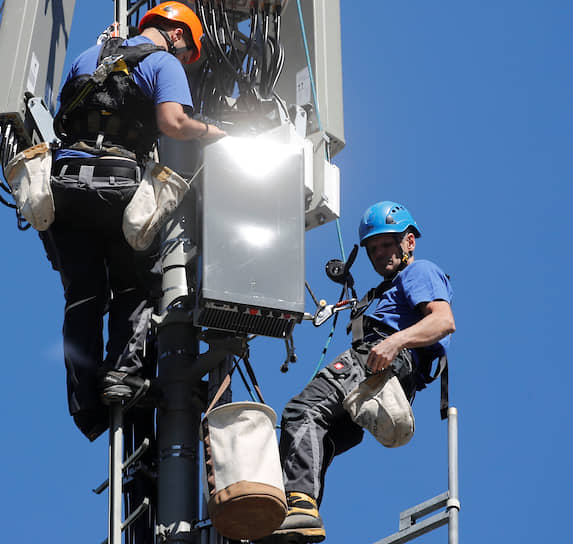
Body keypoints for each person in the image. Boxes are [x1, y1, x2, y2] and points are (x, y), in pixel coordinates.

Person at [41, 1, 226, 442]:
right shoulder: (163, 62)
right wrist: (215, 133)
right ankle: (121, 376)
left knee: (83, 297)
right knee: (137, 283)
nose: (185, 60)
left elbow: (64, 114)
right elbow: (173, 122)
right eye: (188, 53)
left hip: (65, 183)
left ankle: (86, 405)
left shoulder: (90, 55)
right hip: (116, 181)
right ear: (178, 35)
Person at [264, 201, 456, 544]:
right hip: (384, 376)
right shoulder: (387, 290)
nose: (379, 253)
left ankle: (300, 506)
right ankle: (293, 524)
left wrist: (394, 342)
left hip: (376, 362)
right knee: (322, 438)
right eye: (372, 248)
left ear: (409, 242)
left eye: (386, 244)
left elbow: (443, 321)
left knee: (302, 411)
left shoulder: (420, 271)